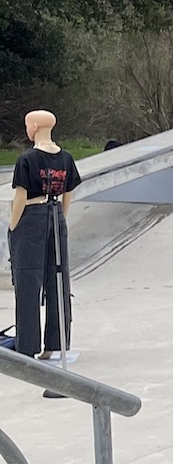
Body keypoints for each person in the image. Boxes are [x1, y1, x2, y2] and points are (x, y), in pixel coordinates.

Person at [9, 109, 83, 384]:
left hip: (31, 216)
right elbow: (68, 195)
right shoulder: (66, 158)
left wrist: (13, 225)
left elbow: (20, 196)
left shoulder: (27, 159)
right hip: (56, 217)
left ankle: (28, 346)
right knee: (58, 279)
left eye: (28, 123)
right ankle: (57, 341)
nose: (27, 127)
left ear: (36, 126)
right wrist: (60, 220)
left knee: (28, 280)